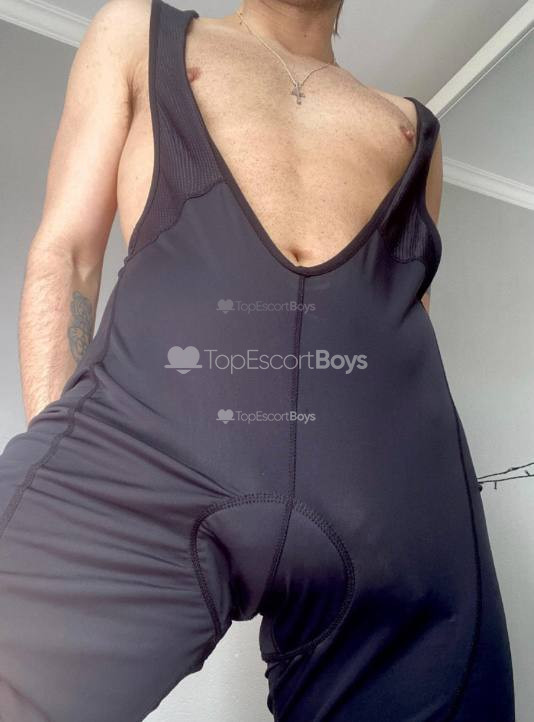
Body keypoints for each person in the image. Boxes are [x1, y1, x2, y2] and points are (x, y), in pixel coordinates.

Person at [0, 0, 514, 720]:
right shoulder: (140, 30)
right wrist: (67, 458)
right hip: (146, 448)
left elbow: (408, 310)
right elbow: (69, 251)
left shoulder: (414, 127)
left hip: (389, 492)